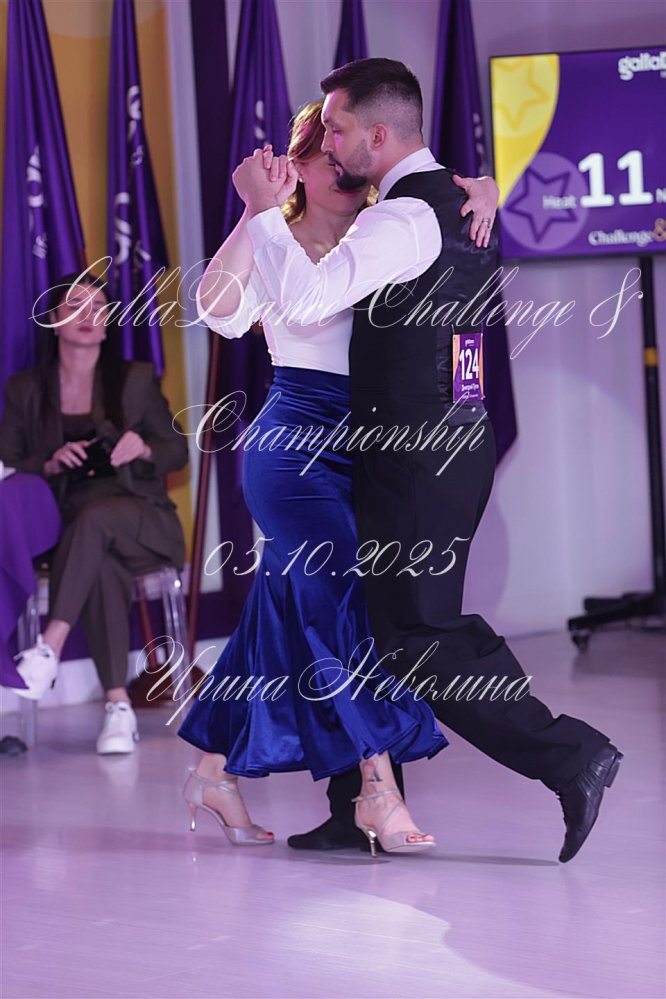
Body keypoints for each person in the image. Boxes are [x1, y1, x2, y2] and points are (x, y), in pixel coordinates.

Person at [231, 57, 622, 864]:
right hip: (438, 444)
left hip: (418, 455)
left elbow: (304, 298)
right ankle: (356, 804)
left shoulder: (402, 219)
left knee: (417, 632)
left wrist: (263, 210)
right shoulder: (446, 200)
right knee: (373, 623)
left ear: (377, 134)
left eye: (338, 128)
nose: (329, 142)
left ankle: (571, 756)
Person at [177, 100, 498, 852]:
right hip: (293, 449)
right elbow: (217, 312)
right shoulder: (274, 238)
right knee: (349, 596)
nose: (346, 170)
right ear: (297, 167)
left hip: (368, 444)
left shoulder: (384, 233)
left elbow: (450, 199)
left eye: (347, 155)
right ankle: (377, 788)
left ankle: (213, 770)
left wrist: (486, 186)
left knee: (282, 603)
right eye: (327, 159)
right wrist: (254, 210)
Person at [0, 274, 188, 754]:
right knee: (100, 560)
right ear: (53, 319)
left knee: (98, 519)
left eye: (99, 307)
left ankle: (49, 646)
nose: (88, 315)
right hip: (76, 533)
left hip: (143, 518)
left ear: (109, 323)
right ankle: (118, 708)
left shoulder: (135, 378)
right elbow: (9, 462)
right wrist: (49, 462)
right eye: (75, 305)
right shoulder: (26, 389)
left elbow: (177, 451)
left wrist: (144, 447)